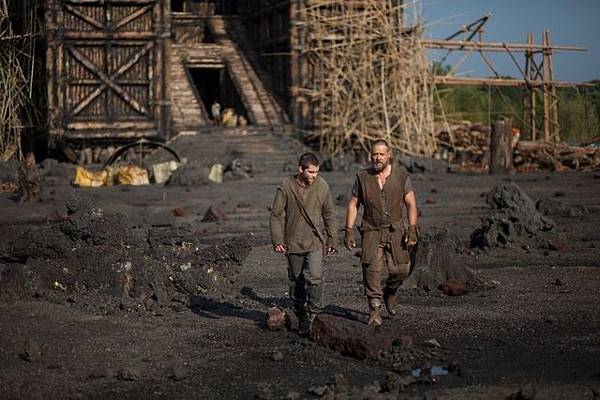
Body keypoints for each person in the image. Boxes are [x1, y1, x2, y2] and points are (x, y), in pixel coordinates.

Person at [344, 139, 418, 326]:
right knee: (371, 269)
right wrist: (349, 230)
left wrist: (412, 228)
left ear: (389, 155)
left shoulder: (401, 177)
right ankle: (374, 310)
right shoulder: (363, 177)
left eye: (381, 154)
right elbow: (353, 205)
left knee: (402, 269)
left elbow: (411, 204)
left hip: (395, 230)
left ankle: (390, 292)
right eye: (374, 154)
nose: (377, 158)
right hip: (372, 230)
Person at [270, 152, 338, 336]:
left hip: (315, 241)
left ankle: (315, 315)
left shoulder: (322, 186)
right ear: (301, 169)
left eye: (317, 172)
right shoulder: (286, 185)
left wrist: (333, 239)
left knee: (315, 277)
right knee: (297, 281)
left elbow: (329, 214)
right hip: (293, 242)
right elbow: (276, 215)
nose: (315, 176)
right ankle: (302, 316)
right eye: (311, 172)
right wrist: (277, 240)